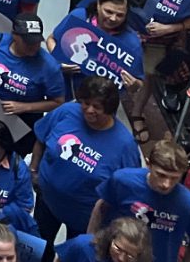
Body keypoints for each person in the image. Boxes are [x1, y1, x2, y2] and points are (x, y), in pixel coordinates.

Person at [30, 75, 143, 239]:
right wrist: (33, 170)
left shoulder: (125, 145)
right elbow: (41, 138)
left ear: (109, 109)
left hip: (84, 220)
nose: (89, 110)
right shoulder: (66, 112)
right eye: (86, 103)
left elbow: (128, 190)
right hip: (46, 202)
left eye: (96, 106)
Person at [86, 140, 190, 262]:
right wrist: (89, 244)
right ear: (149, 164)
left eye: (174, 178)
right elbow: (100, 209)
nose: (166, 184)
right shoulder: (122, 181)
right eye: (161, 175)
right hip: (116, 257)